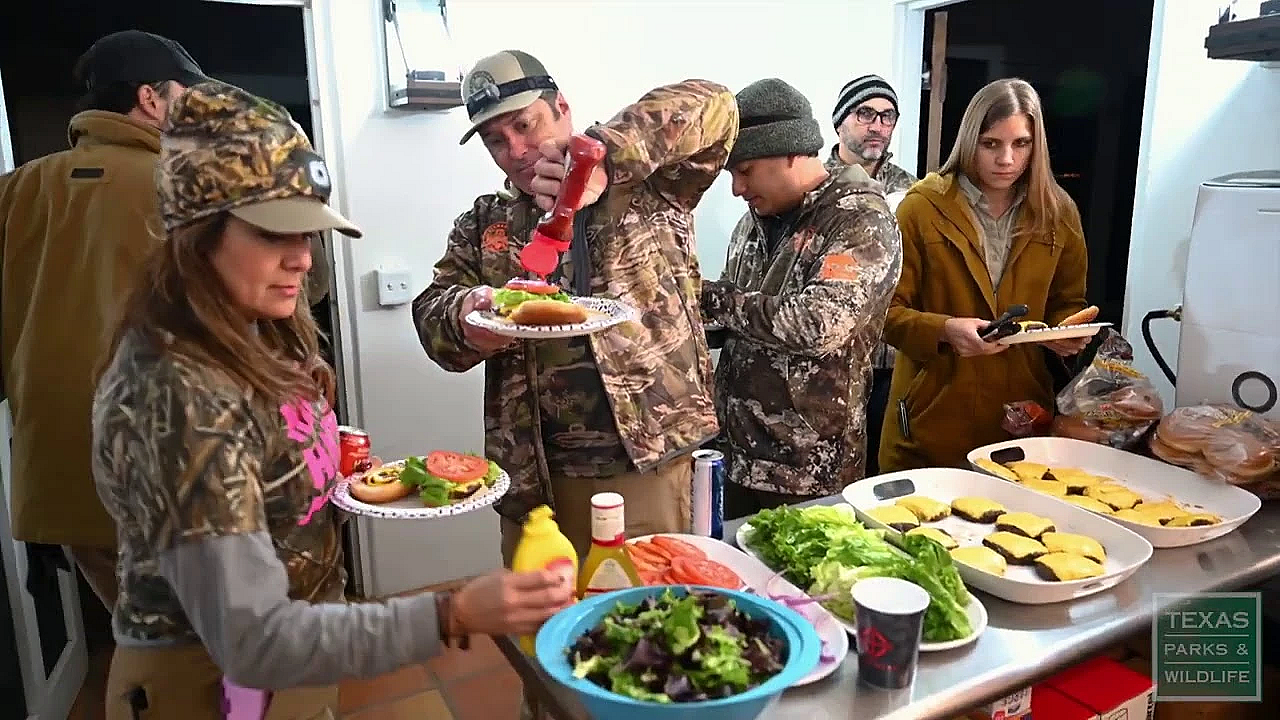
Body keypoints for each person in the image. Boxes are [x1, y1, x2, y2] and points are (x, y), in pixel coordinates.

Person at [91, 81, 574, 720]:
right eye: (272, 234)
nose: (300, 259)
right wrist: (451, 612)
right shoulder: (177, 397)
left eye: (309, 233)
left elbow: (265, 465)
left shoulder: (257, 324)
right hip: (206, 681)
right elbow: (254, 640)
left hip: (296, 661)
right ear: (196, 235)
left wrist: (328, 475)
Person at [412, 50, 738, 562]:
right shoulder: (484, 222)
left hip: (642, 461)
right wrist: (465, 317)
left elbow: (717, 106)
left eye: (524, 125)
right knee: (543, 625)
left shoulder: (650, 187)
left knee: (645, 616)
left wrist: (603, 156)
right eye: (496, 141)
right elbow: (432, 311)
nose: (516, 150)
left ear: (561, 106)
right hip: (532, 478)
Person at [0, 29, 209, 610]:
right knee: (206, 660)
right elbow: (292, 296)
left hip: (60, 471)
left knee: (139, 642)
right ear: (150, 99)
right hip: (175, 473)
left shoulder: (16, 190)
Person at [703, 79, 901, 519]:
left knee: (798, 587)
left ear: (790, 152)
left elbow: (815, 326)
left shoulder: (859, 221)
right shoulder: (752, 223)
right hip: (735, 456)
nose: (736, 188)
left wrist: (707, 298)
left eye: (745, 171)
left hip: (807, 471)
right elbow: (732, 321)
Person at [880, 78, 1090, 473]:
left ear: (1036, 144)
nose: (1006, 159)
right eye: (991, 144)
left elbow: (1068, 302)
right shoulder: (920, 210)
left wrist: (1065, 334)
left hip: (1020, 423)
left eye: (1020, 144)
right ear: (969, 140)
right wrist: (945, 330)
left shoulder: (1058, 214)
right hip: (930, 422)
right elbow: (884, 314)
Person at [828, 73, 919, 478]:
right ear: (840, 122)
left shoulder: (913, 192)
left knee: (883, 470)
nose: (878, 126)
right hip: (833, 359)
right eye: (865, 113)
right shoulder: (814, 185)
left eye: (887, 116)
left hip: (891, 356)